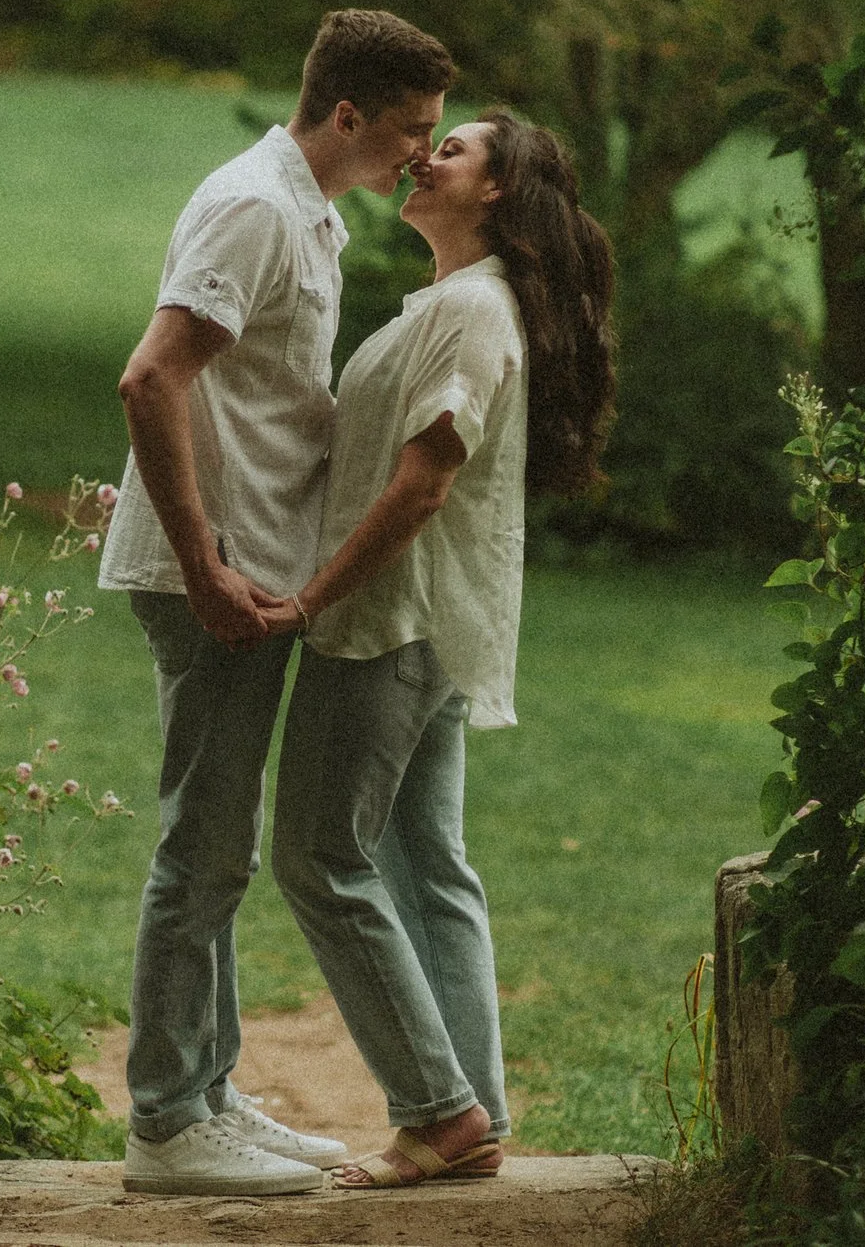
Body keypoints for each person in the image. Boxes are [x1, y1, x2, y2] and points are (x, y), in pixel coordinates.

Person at [98, 10, 457, 1197]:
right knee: (202, 846)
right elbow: (151, 377)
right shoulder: (254, 206)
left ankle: (206, 1092)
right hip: (214, 574)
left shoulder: (307, 212)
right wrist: (203, 562)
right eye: (412, 128)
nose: (422, 152)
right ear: (346, 114)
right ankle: (166, 1121)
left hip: (248, 569)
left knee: (222, 845)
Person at [262, 110, 617, 1190]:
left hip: (389, 623)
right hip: (427, 623)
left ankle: (438, 1110)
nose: (425, 154)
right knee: (424, 863)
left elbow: (422, 485)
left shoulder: (470, 311)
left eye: (452, 148)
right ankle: (478, 1112)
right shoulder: (458, 301)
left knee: (317, 855)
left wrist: (310, 600)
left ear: (497, 189)